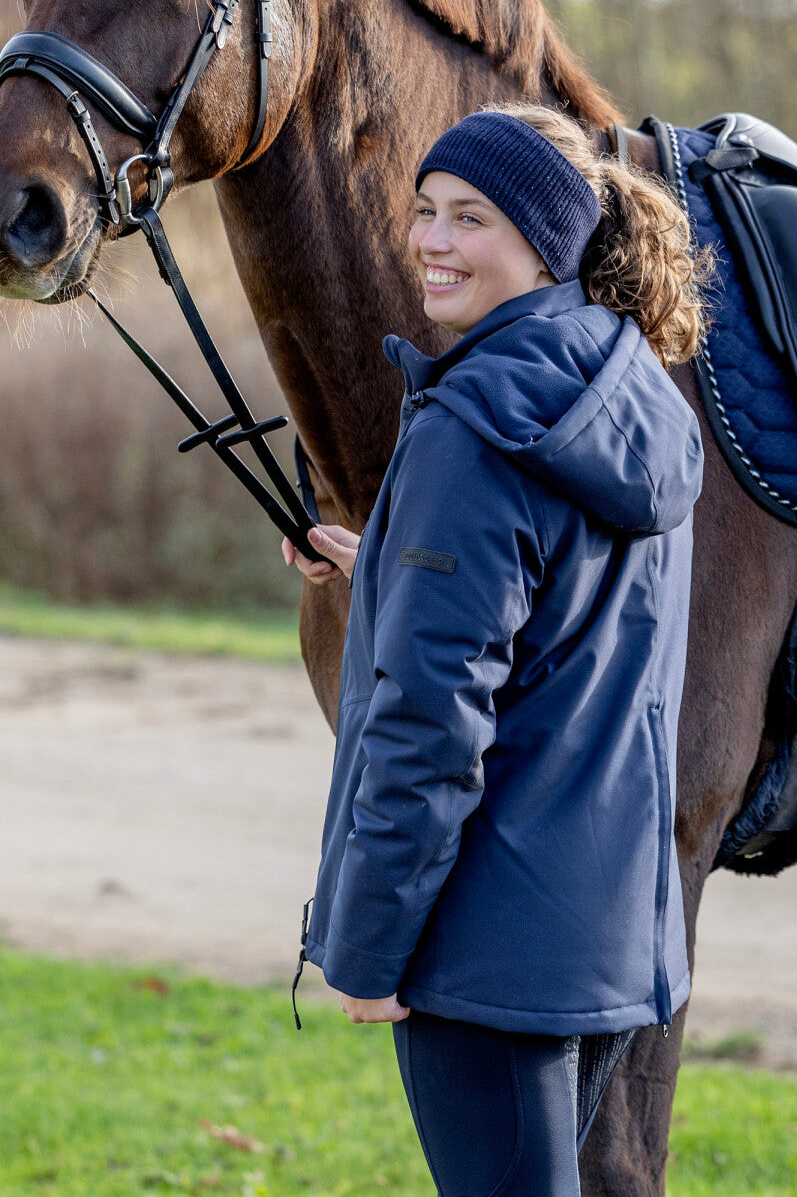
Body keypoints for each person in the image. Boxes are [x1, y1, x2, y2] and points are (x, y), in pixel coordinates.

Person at [283, 103, 711, 1196]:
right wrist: (389, 559)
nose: (430, 239)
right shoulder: (622, 385)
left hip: (483, 954)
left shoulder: (468, 433)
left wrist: (371, 947)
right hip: (603, 935)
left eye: (469, 216)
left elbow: (428, 730)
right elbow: (565, 613)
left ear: (546, 240)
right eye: (424, 209)